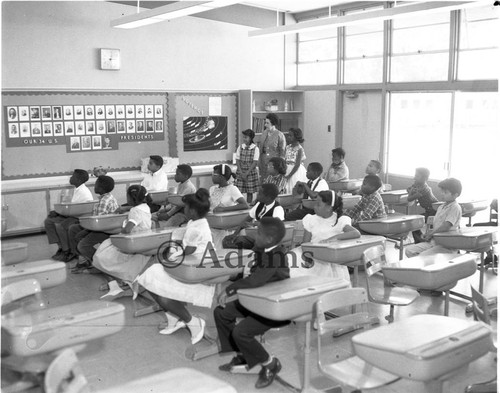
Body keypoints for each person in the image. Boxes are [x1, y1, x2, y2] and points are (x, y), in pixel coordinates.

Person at [214, 217, 289, 389]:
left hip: (273, 306)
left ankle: (271, 364)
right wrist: (232, 275)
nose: (255, 235)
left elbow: (256, 279)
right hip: (256, 299)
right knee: (222, 313)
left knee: (241, 332)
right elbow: (251, 273)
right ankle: (244, 355)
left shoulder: (276, 255)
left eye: (259, 233)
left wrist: (230, 289)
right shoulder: (261, 248)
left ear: (269, 239)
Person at [135, 189, 213, 345]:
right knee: (148, 278)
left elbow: (189, 250)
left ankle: (193, 322)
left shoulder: (198, 227)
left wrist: (171, 257)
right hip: (188, 264)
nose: (183, 210)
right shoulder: (195, 222)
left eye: (185, 207)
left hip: (197, 269)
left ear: (191, 210)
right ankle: (174, 317)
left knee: (161, 290)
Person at [93, 185, 152, 299]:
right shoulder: (145, 207)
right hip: (143, 240)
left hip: (132, 242)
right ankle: (120, 283)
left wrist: (119, 229)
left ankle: (117, 285)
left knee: (101, 256)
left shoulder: (135, 211)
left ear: (131, 198)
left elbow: (127, 229)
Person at [288, 190, 359, 284]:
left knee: (326, 274)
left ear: (329, 208)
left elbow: (355, 233)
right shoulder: (311, 219)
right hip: (312, 255)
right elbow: (305, 243)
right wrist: (307, 257)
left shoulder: (339, 220)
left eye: (318, 204)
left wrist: (333, 238)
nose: (314, 207)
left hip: (331, 259)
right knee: (289, 262)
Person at [68, 175, 119, 273]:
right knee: (74, 229)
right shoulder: (104, 197)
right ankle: (83, 261)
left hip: (105, 230)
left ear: (101, 187)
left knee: (82, 244)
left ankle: (100, 263)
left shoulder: (105, 200)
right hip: (99, 226)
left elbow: (98, 222)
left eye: (96, 184)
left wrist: (86, 226)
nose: (94, 186)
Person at [44, 169, 93, 262]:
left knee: (61, 226)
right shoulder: (77, 189)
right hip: (73, 215)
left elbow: (76, 210)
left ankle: (68, 251)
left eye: (73, 176)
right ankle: (61, 247)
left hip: (79, 217)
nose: (70, 178)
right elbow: (71, 208)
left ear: (78, 180)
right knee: (49, 222)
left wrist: (58, 212)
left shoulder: (83, 191)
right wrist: (57, 212)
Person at [405, 178, 462, 258]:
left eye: (445, 192)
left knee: (422, 257)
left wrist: (431, 234)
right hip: (435, 242)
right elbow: (438, 224)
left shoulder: (455, 207)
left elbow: (446, 226)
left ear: (455, 195)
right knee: (409, 250)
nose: (442, 194)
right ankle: (426, 266)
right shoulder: (441, 206)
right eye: (442, 191)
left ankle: (429, 267)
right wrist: (428, 234)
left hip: (447, 245)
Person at [222, 183, 284, 249]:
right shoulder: (259, 204)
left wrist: (252, 224)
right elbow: (246, 220)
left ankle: (253, 256)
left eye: (260, 193)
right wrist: (235, 234)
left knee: (256, 247)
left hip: (268, 240)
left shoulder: (277, 209)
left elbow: (275, 226)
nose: (257, 194)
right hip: (255, 237)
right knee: (228, 241)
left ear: (268, 197)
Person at [209, 164, 249, 249]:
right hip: (213, 223)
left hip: (224, 226)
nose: (212, 176)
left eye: (214, 174)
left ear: (221, 177)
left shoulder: (232, 189)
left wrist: (224, 209)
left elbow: (244, 205)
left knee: (222, 249)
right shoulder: (212, 189)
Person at [406, 167, 438, 243]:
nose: (414, 177)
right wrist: (412, 190)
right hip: (429, 210)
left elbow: (409, 199)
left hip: (434, 211)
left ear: (425, 178)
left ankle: (421, 241)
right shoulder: (418, 185)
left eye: (417, 176)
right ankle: (420, 240)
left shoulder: (424, 188)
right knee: (414, 222)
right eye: (415, 175)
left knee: (415, 222)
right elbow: (408, 189)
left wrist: (411, 192)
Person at [234, 129, 260, 204]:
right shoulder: (240, 147)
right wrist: (241, 172)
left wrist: (246, 173)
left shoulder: (255, 148)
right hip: (240, 171)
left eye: (246, 137)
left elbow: (255, 162)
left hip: (250, 172)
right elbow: (237, 160)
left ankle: (248, 206)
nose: (244, 139)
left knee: (250, 192)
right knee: (239, 191)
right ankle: (240, 205)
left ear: (251, 138)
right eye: (243, 137)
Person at [258, 113, 286, 179]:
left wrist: (280, 166)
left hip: (273, 164)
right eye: (265, 123)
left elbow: (282, 152)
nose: (265, 125)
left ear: (273, 123)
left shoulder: (280, 135)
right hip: (263, 161)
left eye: (267, 123)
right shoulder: (264, 133)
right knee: (263, 180)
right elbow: (260, 147)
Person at [284, 128, 307, 194]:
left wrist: (289, 175)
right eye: (288, 135)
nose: (288, 137)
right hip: (287, 168)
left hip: (295, 170)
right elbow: (285, 159)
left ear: (296, 137)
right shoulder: (287, 147)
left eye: (291, 136)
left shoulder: (299, 149)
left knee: (293, 186)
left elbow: (297, 164)